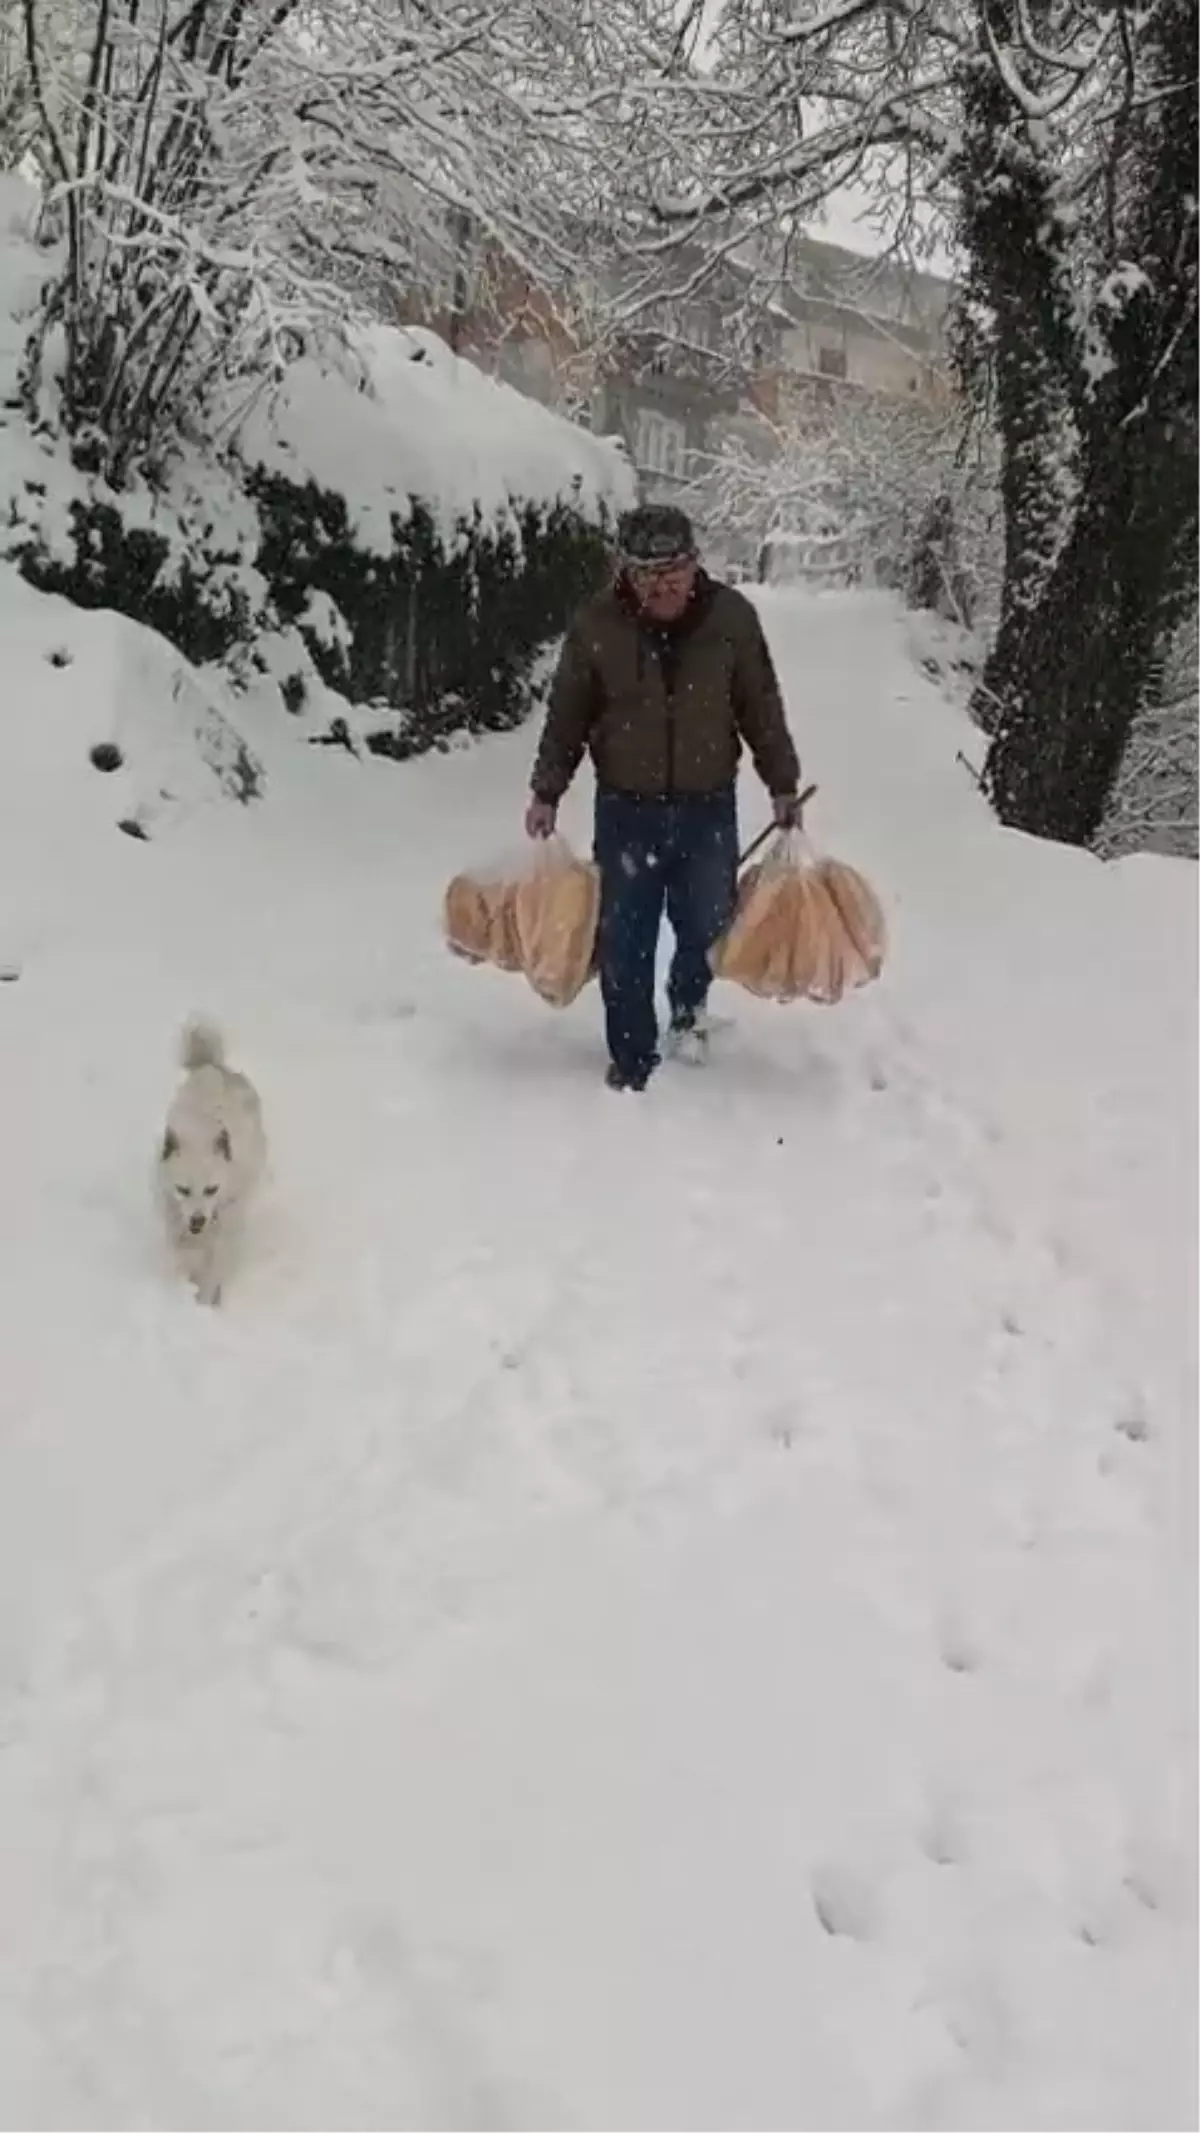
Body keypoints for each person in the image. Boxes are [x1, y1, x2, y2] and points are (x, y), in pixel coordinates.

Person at [525, 503, 803, 1091]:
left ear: (695, 563)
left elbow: (761, 704)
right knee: (625, 935)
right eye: (646, 572)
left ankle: (686, 1007)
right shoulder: (598, 625)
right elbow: (567, 713)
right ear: (624, 571)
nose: (662, 584)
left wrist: (782, 782)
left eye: (673, 569)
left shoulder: (731, 619)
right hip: (626, 806)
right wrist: (547, 790)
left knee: (705, 919)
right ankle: (630, 1056)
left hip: (708, 804)